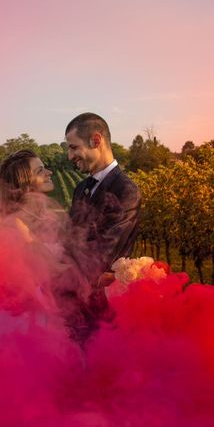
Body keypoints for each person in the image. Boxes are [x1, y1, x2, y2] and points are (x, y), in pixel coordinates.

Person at [63, 112, 141, 343]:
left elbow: (102, 254)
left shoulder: (126, 191)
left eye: (73, 147)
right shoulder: (80, 188)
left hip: (102, 310)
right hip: (72, 305)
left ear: (95, 140)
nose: (70, 155)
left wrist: (53, 264)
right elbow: (69, 238)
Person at [0, 149, 69, 343]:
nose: (49, 172)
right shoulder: (15, 225)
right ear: (25, 183)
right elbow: (54, 269)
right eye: (40, 170)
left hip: (50, 310)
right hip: (24, 319)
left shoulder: (48, 217)